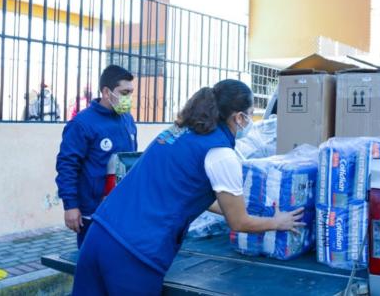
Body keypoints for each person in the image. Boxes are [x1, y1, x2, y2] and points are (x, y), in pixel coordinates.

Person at [72, 79, 305, 295]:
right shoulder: (221, 154)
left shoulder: (178, 132)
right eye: (250, 114)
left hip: (99, 234)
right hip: (134, 253)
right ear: (238, 117)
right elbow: (238, 222)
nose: (251, 121)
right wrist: (277, 222)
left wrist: (243, 208)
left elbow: (188, 192)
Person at [56, 65, 138, 248]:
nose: (128, 98)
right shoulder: (82, 123)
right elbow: (67, 166)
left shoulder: (127, 120)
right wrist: (70, 206)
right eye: (124, 92)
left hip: (122, 207)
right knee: (91, 267)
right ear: (107, 92)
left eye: (131, 93)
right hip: (93, 212)